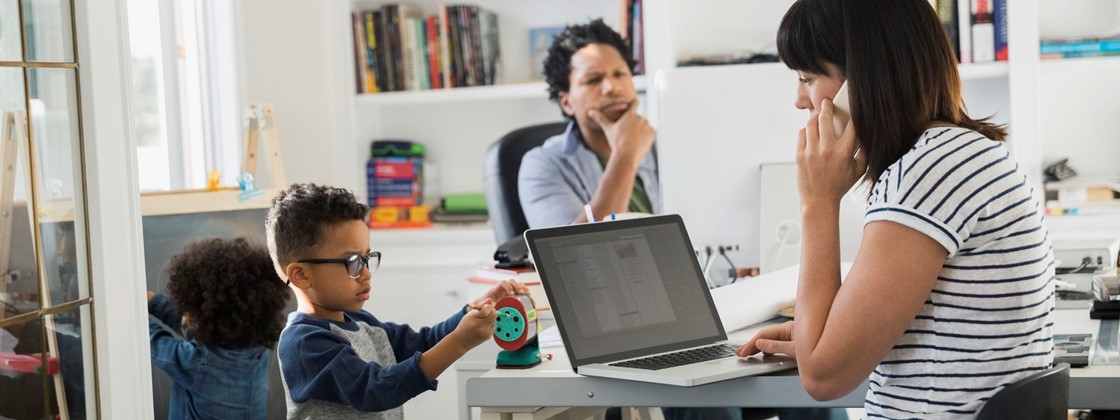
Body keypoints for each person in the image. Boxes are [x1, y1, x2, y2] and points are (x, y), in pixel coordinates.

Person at [737, 0, 1055, 418]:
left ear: (861, 80)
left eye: (807, 78)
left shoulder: (928, 172)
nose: (800, 100)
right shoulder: (963, 154)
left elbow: (823, 378)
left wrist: (818, 204)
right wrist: (819, 333)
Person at [266, 183, 530, 419]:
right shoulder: (304, 343)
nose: (367, 273)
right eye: (353, 263)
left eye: (367, 259)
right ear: (301, 275)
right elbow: (376, 389)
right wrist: (461, 341)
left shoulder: (362, 323)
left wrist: (474, 309)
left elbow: (424, 342)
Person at [519, 18, 659, 228]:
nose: (612, 87)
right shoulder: (542, 165)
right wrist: (625, 155)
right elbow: (573, 254)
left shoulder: (664, 146)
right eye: (593, 80)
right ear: (567, 103)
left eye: (620, 74)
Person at [147, 237, 292, 420]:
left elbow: (151, 339)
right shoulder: (255, 347)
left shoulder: (198, 364)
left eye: (188, 308)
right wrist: (154, 302)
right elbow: (192, 329)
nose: (183, 314)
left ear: (208, 316)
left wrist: (131, 310)